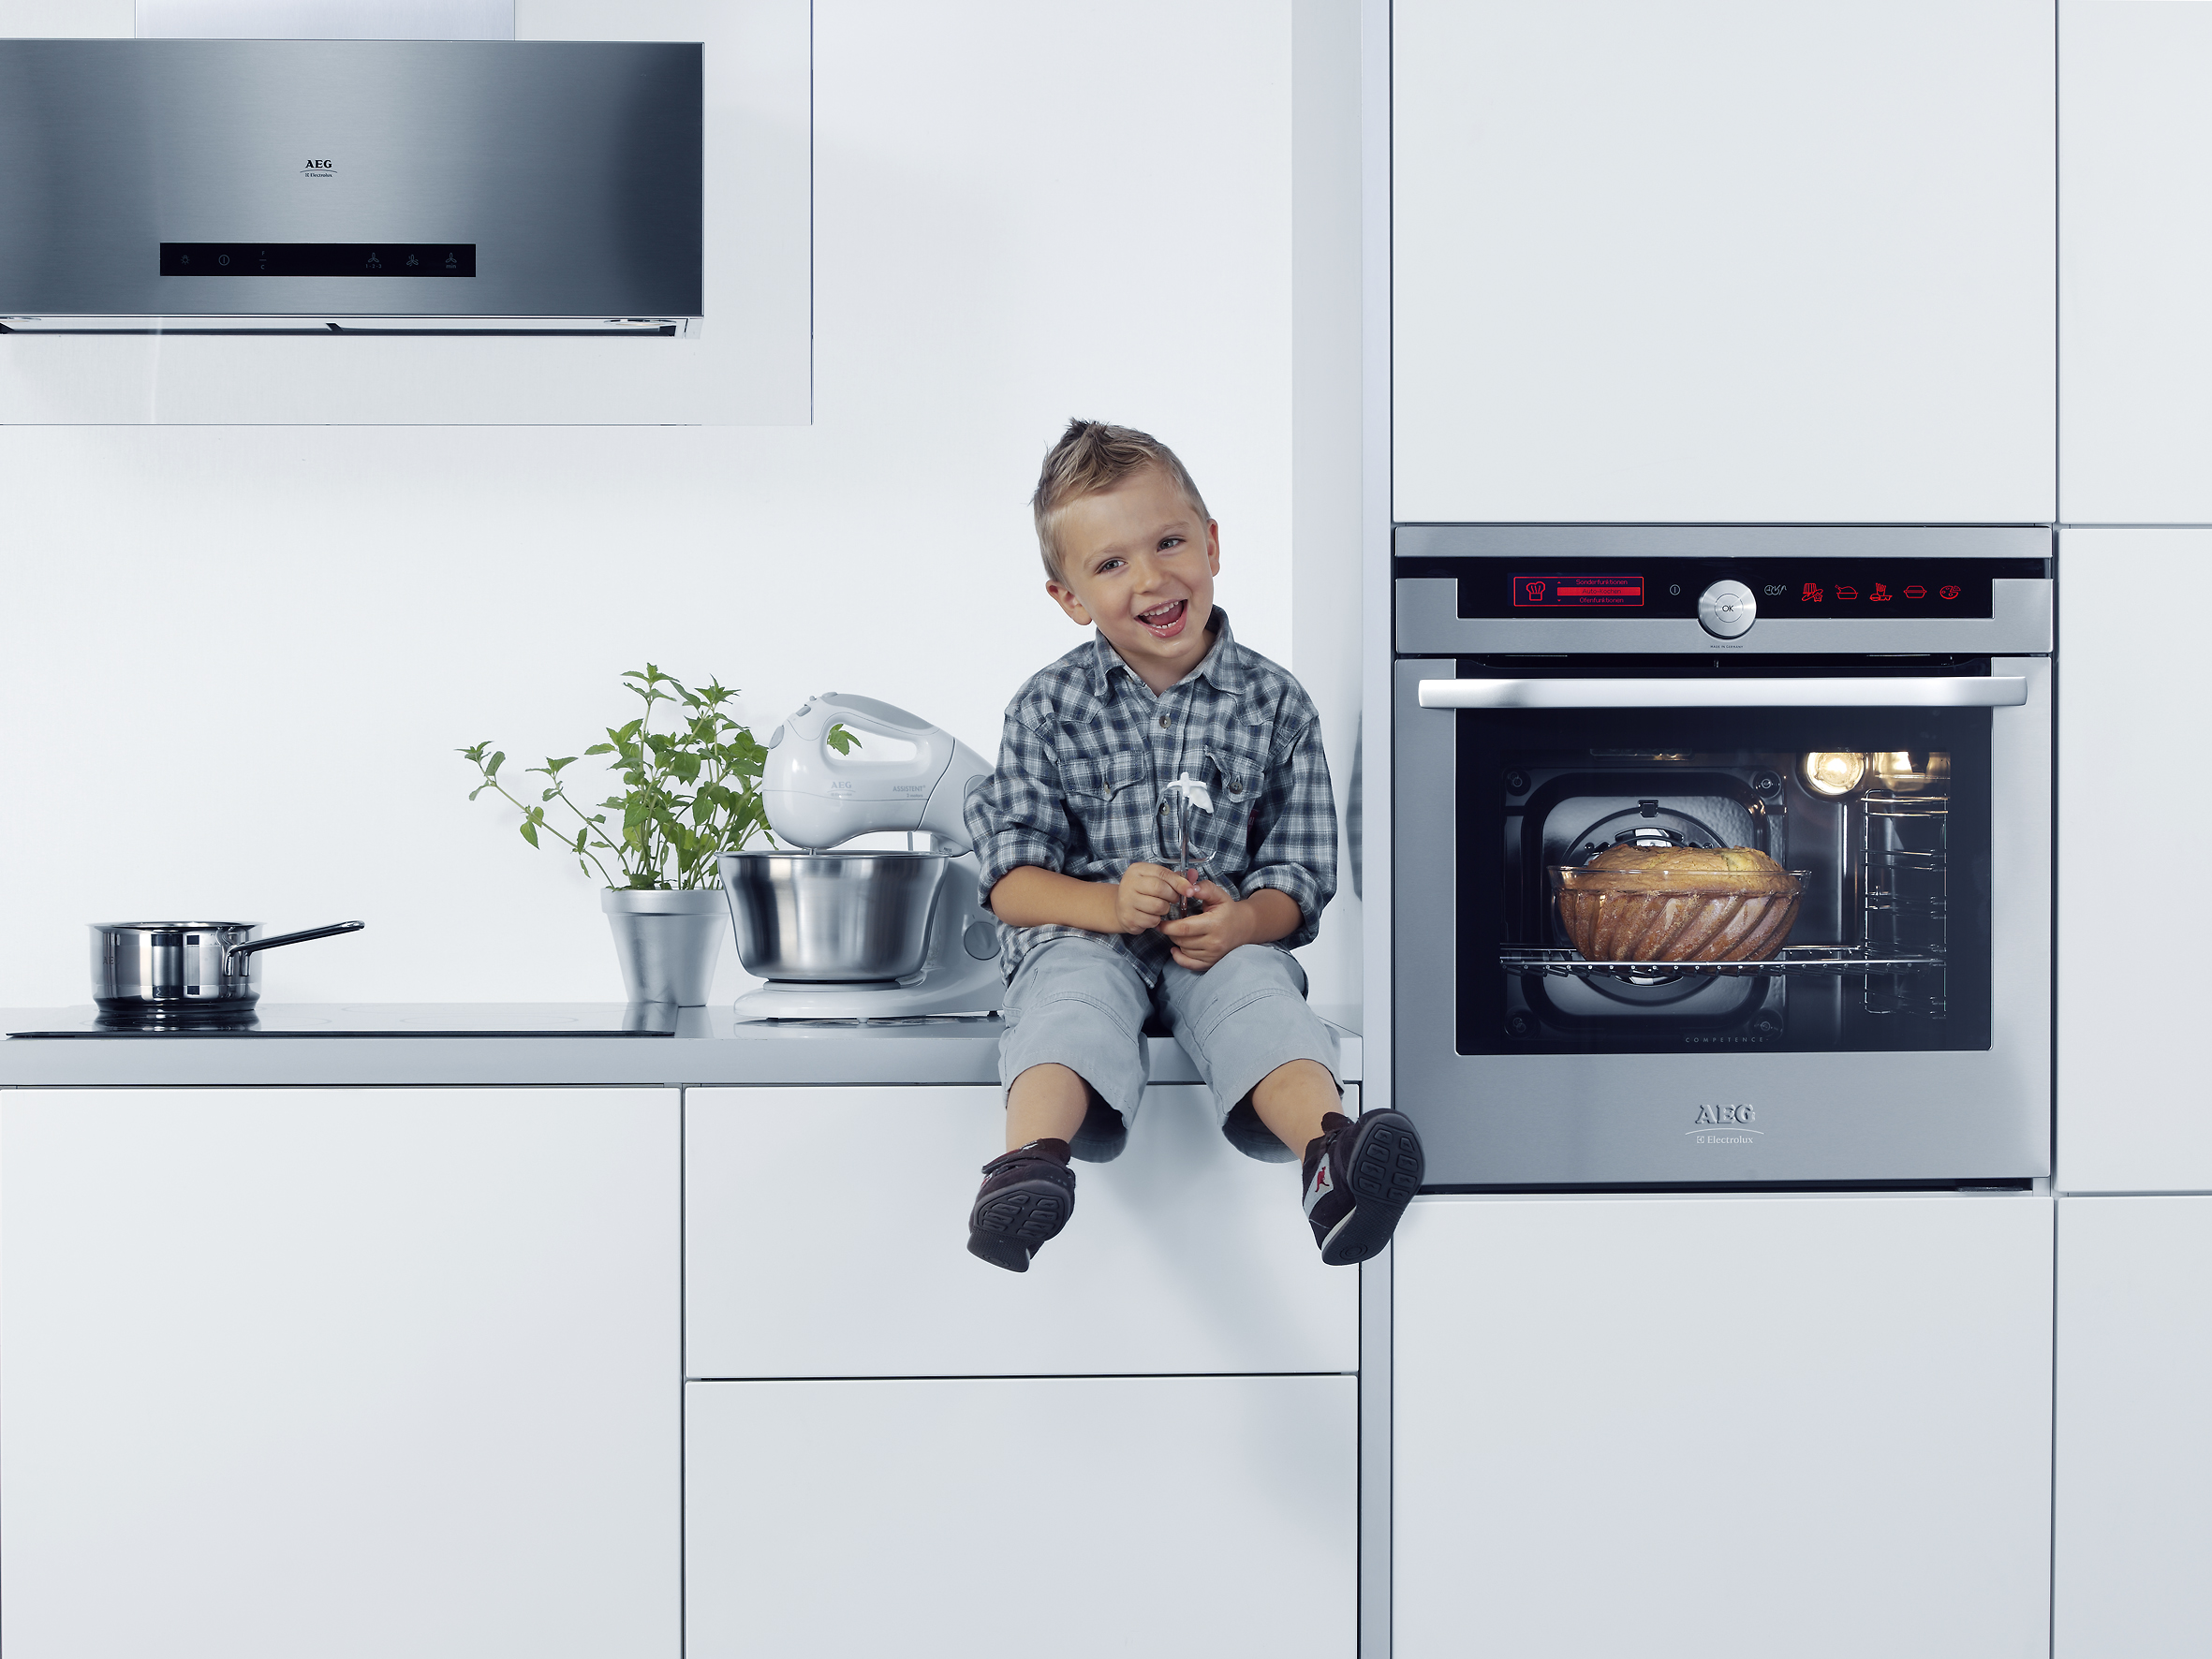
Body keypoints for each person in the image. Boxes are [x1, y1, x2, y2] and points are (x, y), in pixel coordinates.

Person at [961, 418, 1424, 1272]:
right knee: (1069, 1005)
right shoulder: (1047, 705)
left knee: (1261, 1002)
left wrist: (1246, 921)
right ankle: (1027, 1168)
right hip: (1081, 937)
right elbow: (1010, 880)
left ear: (1211, 543)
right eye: (1111, 564)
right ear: (1069, 597)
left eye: (1169, 542)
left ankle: (1333, 1163)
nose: (1152, 577)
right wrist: (1104, 904)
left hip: (1215, 948)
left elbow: (1303, 873)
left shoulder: (1275, 704)